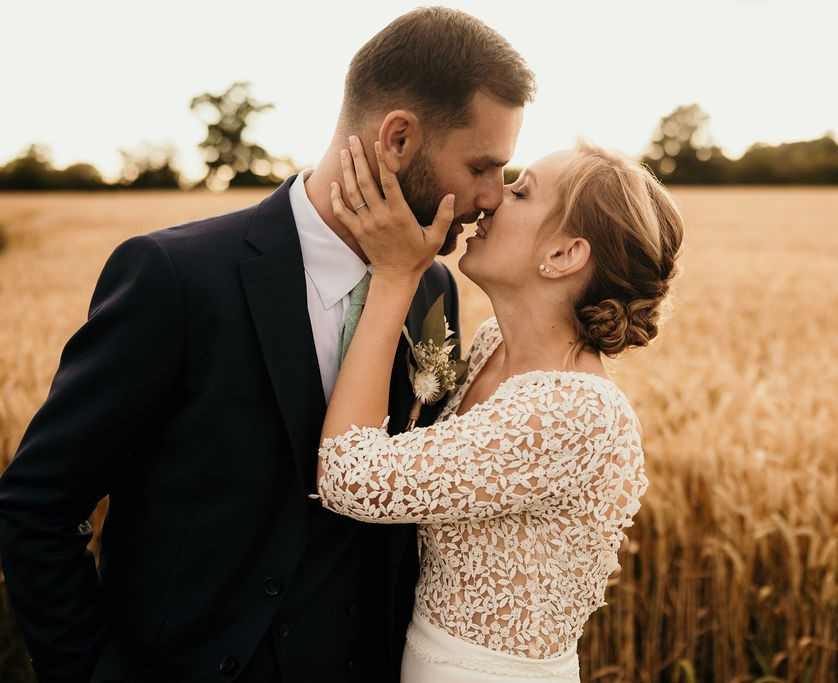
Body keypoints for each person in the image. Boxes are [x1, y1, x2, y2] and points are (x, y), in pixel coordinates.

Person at [0, 7, 534, 683]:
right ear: (398, 138)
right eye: (483, 166)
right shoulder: (177, 278)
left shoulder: (431, 289)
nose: (492, 196)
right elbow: (36, 505)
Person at [313, 134, 684, 682]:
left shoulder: (572, 410)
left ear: (563, 255)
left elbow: (350, 479)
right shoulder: (492, 345)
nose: (491, 199)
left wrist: (395, 277)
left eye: (522, 192)